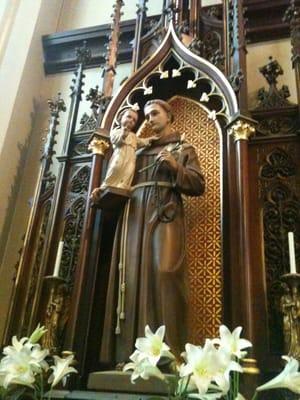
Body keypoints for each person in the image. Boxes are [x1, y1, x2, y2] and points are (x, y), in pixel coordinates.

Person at [99, 99, 205, 366]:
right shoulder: (136, 148)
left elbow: (197, 184)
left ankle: (171, 353)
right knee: (132, 277)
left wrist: (174, 166)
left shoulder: (182, 147)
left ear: (170, 116)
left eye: (155, 113)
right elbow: (118, 173)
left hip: (164, 211)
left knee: (165, 271)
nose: (150, 119)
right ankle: (131, 355)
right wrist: (103, 189)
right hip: (134, 214)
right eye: (147, 115)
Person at [99, 105, 155, 191]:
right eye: (129, 117)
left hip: (130, 159)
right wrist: (123, 135)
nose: (131, 121)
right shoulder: (116, 131)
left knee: (128, 171)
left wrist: (151, 139)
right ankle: (107, 185)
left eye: (134, 120)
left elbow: (142, 142)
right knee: (115, 169)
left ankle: (124, 185)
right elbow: (115, 141)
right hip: (119, 156)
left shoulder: (133, 136)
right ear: (121, 118)